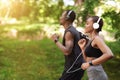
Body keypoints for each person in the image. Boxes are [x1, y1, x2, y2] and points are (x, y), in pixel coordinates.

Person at [51, 10, 84, 80]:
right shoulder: (72, 29)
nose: (60, 18)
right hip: (76, 66)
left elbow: (67, 51)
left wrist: (56, 40)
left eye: (62, 16)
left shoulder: (69, 32)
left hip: (74, 67)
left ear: (66, 18)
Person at [78, 16, 114, 80]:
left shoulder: (97, 39)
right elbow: (87, 60)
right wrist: (82, 48)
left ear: (95, 26)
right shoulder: (92, 40)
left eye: (87, 23)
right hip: (93, 74)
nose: (85, 25)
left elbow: (109, 54)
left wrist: (89, 64)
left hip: (98, 75)